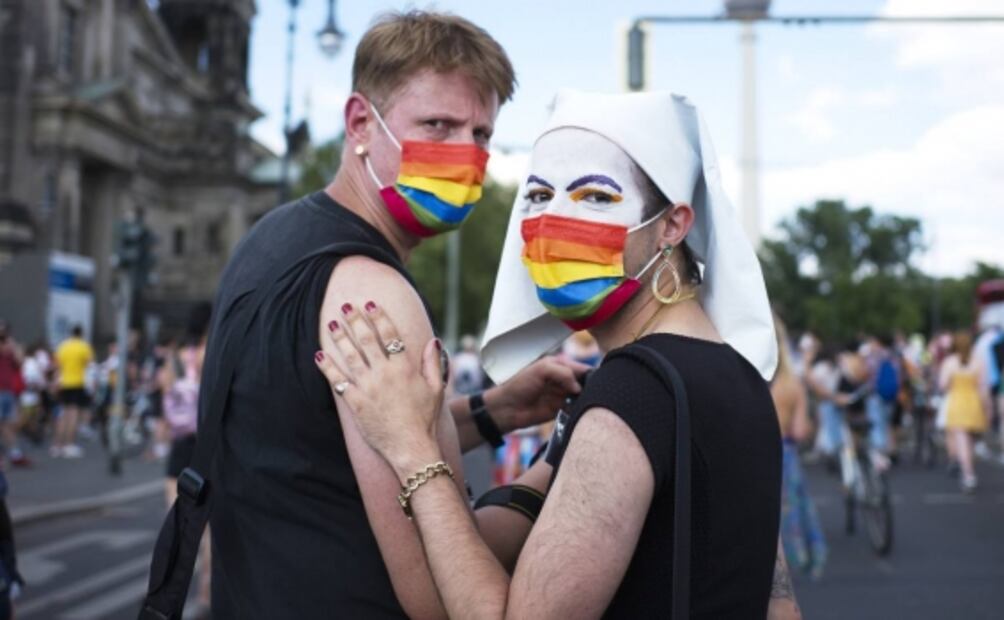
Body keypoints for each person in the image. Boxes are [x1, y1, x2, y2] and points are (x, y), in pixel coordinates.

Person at [316, 90, 800, 618]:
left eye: (595, 197)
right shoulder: (743, 376)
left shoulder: (632, 394)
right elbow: (778, 603)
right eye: (540, 196)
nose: (553, 221)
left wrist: (413, 450)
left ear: (672, 225)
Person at [187, 12, 585, 619]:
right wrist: (559, 466)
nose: (464, 154)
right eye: (437, 125)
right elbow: (439, 594)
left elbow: (316, 441)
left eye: (480, 133)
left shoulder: (273, 238)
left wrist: (495, 411)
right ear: (360, 124)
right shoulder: (373, 295)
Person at [772, 317, 827, 580]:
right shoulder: (792, 385)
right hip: (785, 454)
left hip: (753, 455)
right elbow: (799, 430)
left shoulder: (744, 380)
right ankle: (794, 559)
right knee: (789, 509)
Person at [939, 330, 990, 492]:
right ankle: (968, 470)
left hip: (957, 403)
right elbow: (983, 388)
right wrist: (988, 409)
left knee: (962, 441)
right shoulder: (978, 362)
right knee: (970, 441)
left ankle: (968, 474)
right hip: (973, 403)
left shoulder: (949, 362)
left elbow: (943, 385)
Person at [52, 325, 94, 458]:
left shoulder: (63, 346)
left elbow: (56, 365)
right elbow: (89, 365)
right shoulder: (83, 346)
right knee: (74, 415)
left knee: (62, 415)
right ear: (81, 333)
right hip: (77, 383)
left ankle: (57, 445)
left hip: (63, 383)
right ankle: (69, 445)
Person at [0, 324, 27, 467]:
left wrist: (14, 346)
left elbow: (20, 362)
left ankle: (15, 453)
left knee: (8, 424)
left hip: (8, 391)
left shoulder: (11, 347)